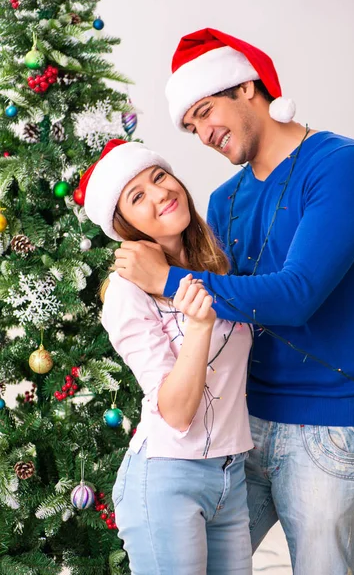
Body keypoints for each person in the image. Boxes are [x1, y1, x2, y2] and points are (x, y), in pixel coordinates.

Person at [113, 29, 354, 575]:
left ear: (246, 88)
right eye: (191, 127)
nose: (203, 133)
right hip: (238, 430)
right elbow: (209, 320)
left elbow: (295, 297)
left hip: (330, 429)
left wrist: (167, 279)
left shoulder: (340, 166)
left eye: (205, 111)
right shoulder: (225, 200)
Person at [79, 138, 254, 575]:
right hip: (167, 480)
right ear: (125, 225)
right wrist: (197, 328)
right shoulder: (126, 292)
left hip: (230, 476)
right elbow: (175, 413)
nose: (160, 194)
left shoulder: (216, 264)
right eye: (138, 196)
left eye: (159, 177)